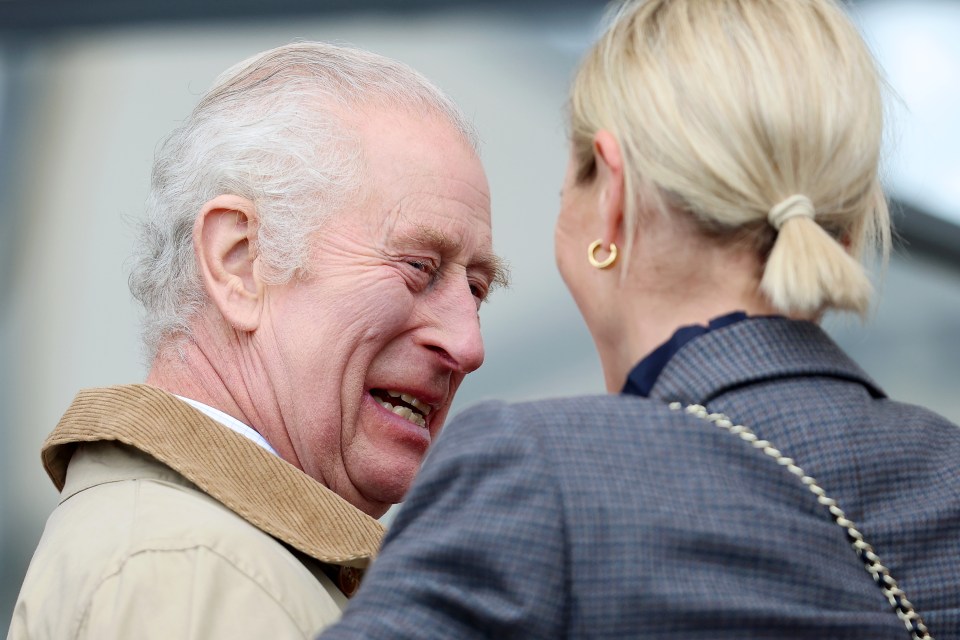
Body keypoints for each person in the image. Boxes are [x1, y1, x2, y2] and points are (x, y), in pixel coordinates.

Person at [318, 1, 960, 638]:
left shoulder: (538, 476)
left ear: (613, 200)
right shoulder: (947, 477)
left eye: (566, 185)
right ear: (844, 234)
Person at [9, 42, 506, 640]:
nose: (468, 344)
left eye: (476, 289)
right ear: (240, 262)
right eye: (418, 266)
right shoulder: (192, 573)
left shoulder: (207, 562)